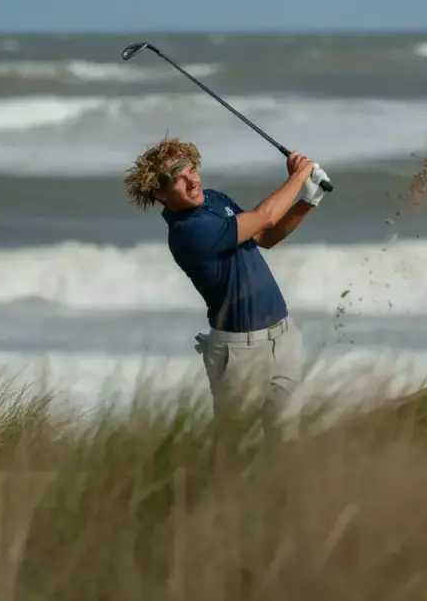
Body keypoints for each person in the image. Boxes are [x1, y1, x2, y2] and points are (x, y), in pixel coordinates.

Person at [124, 136, 330, 438]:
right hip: (240, 352)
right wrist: (299, 175)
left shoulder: (215, 200)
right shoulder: (188, 232)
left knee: (287, 441)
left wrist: (308, 200)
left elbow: (264, 236)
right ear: (159, 194)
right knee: (236, 449)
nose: (191, 181)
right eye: (177, 179)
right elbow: (266, 217)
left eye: (190, 170)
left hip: (283, 337)